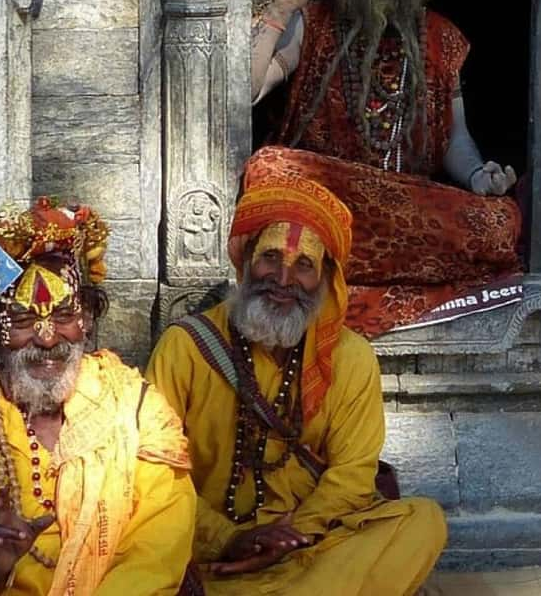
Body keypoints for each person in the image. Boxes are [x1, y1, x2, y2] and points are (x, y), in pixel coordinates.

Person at [145, 154, 448, 595]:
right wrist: (230, 540)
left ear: (325, 277)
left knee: (422, 521)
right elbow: (156, 473)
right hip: (216, 556)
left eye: (304, 265)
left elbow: (353, 473)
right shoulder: (185, 347)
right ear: (246, 263)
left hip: (313, 545)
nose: (283, 279)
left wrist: (290, 537)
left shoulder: (350, 356)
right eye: (270, 257)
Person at [0, 198, 196, 595]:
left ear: (87, 320)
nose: (48, 339)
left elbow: (160, 545)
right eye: (25, 320)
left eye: (64, 315)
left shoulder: (137, 409)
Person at [247, 0, 523, 337]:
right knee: (267, 168)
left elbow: (457, 138)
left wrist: (476, 176)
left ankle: (333, 265)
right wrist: (279, 11)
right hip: (324, 206)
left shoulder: (442, 37)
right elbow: (247, 91)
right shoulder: (310, 20)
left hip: (407, 212)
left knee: (503, 221)